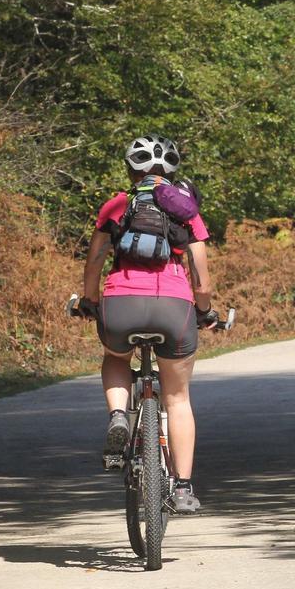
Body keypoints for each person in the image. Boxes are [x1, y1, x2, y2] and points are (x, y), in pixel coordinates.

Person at [74, 134, 223, 514]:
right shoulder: (185, 209)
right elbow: (202, 280)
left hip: (121, 304)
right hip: (173, 307)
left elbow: (94, 262)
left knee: (116, 357)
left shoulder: (117, 204)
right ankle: (184, 488)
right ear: (172, 171)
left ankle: (119, 415)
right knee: (177, 397)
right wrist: (204, 311)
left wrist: (89, 302)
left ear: (131, 169)